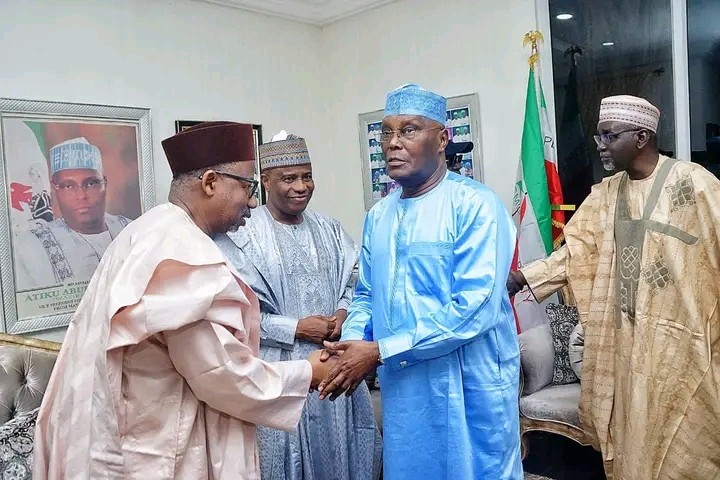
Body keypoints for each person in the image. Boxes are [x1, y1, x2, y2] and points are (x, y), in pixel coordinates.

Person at [33, 121, 335, 479]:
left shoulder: (147, 231)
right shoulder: (179, 254)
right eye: (249, 187)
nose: (254, 203)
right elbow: (221, 374)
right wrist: (310, 372)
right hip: (154, 449)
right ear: (210, 183)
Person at [507, 95, 720, 479]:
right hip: (624, 348)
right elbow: (575, 253)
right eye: (598, 136)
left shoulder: (695, 184)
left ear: (641, 136)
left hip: (685, 347)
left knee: (686, 440)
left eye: (609, 135)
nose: (601, 145)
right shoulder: (605, 195)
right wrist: (522, 277)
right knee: (631, 440)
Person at [318, 84, 522, 479]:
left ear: (442, 138)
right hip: (407, 388)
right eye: (386, 132)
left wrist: (378, 352)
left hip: (469, 386)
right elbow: (367, 295)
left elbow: (473, 310)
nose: (393, 144)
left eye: (409, 131)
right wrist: (349, 344)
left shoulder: (477, 206)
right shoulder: (379, 216)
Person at [215, 131, 382, 480]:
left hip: (336, 363)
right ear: (265, 181)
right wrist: (295, 328)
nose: (301, 186)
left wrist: (342, 312)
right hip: (280, 372)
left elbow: (355, 281)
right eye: (289, 178)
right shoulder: (242, 236)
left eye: (307, 176)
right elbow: (231, 313)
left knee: (345, 457)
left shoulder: (330, 229)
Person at [15, 137, 131, 291]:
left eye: (91, 183)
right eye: (68, 185)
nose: (81, 195)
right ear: (55, 189)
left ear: (105, 183)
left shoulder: (132, 229)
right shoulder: (32, 246)